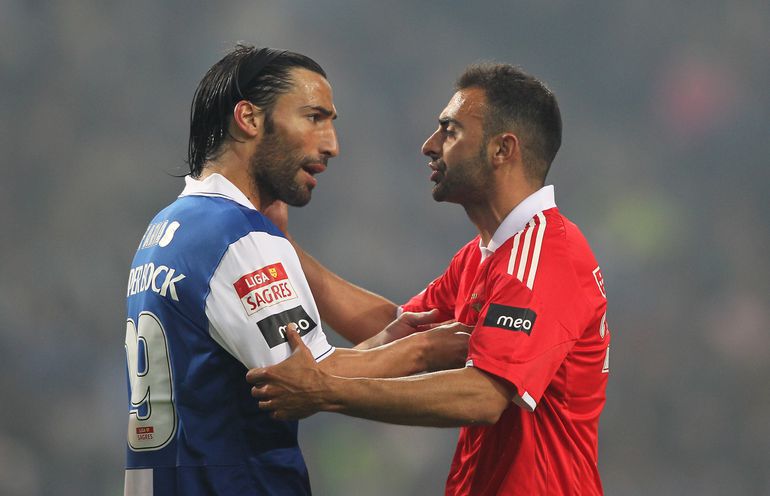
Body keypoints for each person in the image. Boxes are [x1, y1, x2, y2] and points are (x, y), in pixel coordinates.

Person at [249, 63, 611, 495]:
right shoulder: (483, 256)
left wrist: (327, 391)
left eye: (450, 130)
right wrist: (281, 244)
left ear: (502, 149)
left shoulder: (548, 256)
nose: (429, 145)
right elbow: (398, 328)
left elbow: (483, 396)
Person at [123, 44, 469, 496]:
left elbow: (291, 370)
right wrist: (426, 351)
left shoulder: (166, 227)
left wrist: (387, 338)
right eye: (313, 118)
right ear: (248, 119)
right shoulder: (238, 235)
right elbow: (310, 381)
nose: (332, 145)